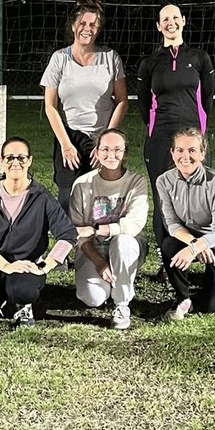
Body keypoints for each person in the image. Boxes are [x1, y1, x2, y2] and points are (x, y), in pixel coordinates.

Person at [136, 2, 215, 280]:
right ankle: (167, 261)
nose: (170, 22)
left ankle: (204, 256)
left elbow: (207, 100)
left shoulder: (200, 58)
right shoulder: (150, 63)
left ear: (183, 20)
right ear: (159, 26)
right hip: (160, 140)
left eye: (174, 17)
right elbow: (144, 104)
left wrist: (197, 135)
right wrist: (157, 131)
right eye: (165, 19)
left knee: (200, 200)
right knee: (164, 201)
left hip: (192, 139)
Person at [0, 137, 77, 330]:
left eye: (21, 157)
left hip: (27, 267)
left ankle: (23, 304)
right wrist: (5, 266)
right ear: (1, 162)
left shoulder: (41, 197)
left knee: (22, 290)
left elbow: (67, 234)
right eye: (9, 158)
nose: (15, 163)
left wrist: (44, 267)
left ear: (30, 161)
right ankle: (4, 298)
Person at [41, 0, 129, 211]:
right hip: (70, 137)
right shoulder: (59, 59)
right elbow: (50, 106)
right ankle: (69, 234)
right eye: (82, 23)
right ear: (73, 26)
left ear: (98, 29)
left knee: (101, 203)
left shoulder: (111, 58)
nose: (87, 29)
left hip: (101, 137)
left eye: (93, 24)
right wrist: (65, 145)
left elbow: (122, 101)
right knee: (67, 201)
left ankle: (101, 233)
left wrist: (105, 142)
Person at [157, 127, 215, 320]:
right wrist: (193, 244)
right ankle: (183, 298)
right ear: (172, 153)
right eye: (180, 150)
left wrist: (195, 248)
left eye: (192, 150)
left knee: (212, 306)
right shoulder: (164, 181)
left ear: (202, 154)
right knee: (169, 246)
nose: (185, 156)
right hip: (196, 239)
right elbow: (172, 223)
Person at [69, 128, 149, 330]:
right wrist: (99, 263)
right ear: (96, 152)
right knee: (92, 298)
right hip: (92, 249)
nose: (111, 155)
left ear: (125, 153)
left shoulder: (136, 182)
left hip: (126, 246)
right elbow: (79, 234)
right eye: (105, 149)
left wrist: (96, 229)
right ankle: (112, 280)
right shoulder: (82, 184)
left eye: (117, 149)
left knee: (122, 241)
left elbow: (133, 225)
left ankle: (122, 303)